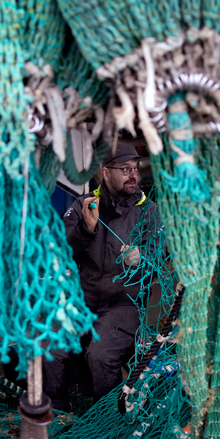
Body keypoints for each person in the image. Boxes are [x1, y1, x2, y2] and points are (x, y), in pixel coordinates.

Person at [44, 143, 159, 411]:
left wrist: (141, 258)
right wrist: (86, 227)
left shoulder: (149, 212)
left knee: (100, 355)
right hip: (83, 300)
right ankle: (58, 415)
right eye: (125, 169)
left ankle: (104, 421)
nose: (134, 175)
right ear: (106, 173)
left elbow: (158, 264)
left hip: (123, 303)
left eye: (136, 168)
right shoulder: (83, 205)